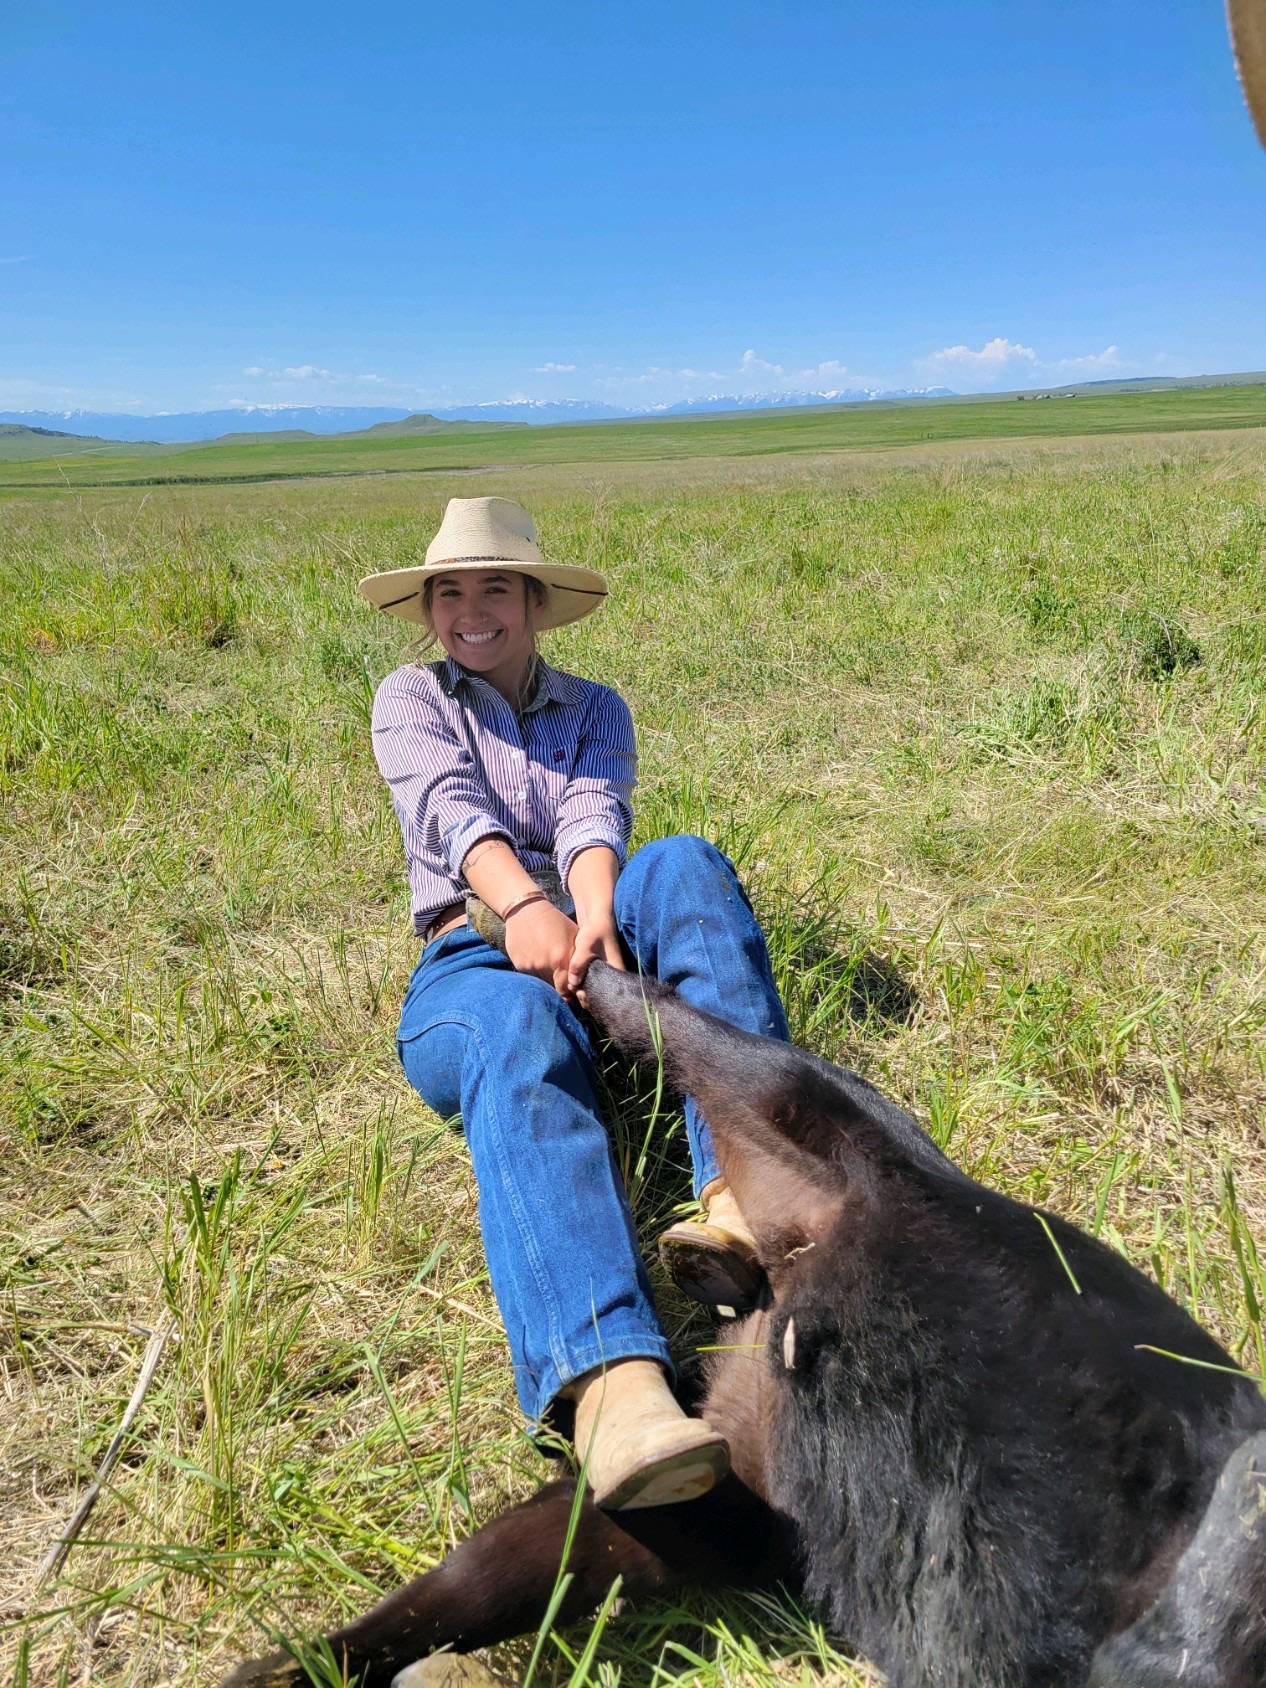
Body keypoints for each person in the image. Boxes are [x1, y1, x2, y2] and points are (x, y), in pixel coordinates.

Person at [360, 496, 791, 1512]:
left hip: (591, 929)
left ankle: (750, 1199)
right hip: (470, 954)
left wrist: (588, 917)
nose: (472, 609)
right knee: (515, 1022)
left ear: (534, 601)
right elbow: (450, 812)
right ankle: (613, 1387)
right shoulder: (411, 696)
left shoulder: (597, 705)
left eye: (494, 586)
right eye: (450, 590)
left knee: (680, 862)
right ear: (428, 609)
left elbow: (598, 809)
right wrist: (521, 911)